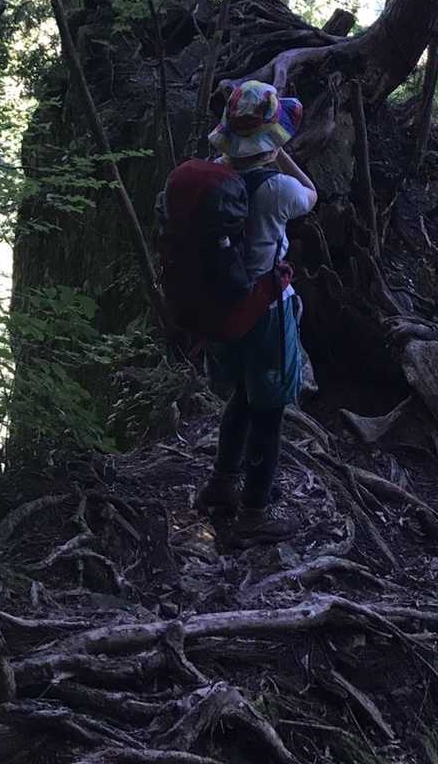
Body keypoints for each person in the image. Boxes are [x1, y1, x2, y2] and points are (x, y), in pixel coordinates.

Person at [194, 79, 317, 541]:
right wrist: (281, 154)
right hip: (266, 312)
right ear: (271, 139)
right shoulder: (279, 188)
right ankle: (254, 513)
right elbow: (312, 194)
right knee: (269, 412)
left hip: (222, 310)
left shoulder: (213, 176)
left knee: (242, 398)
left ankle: (222, 483)